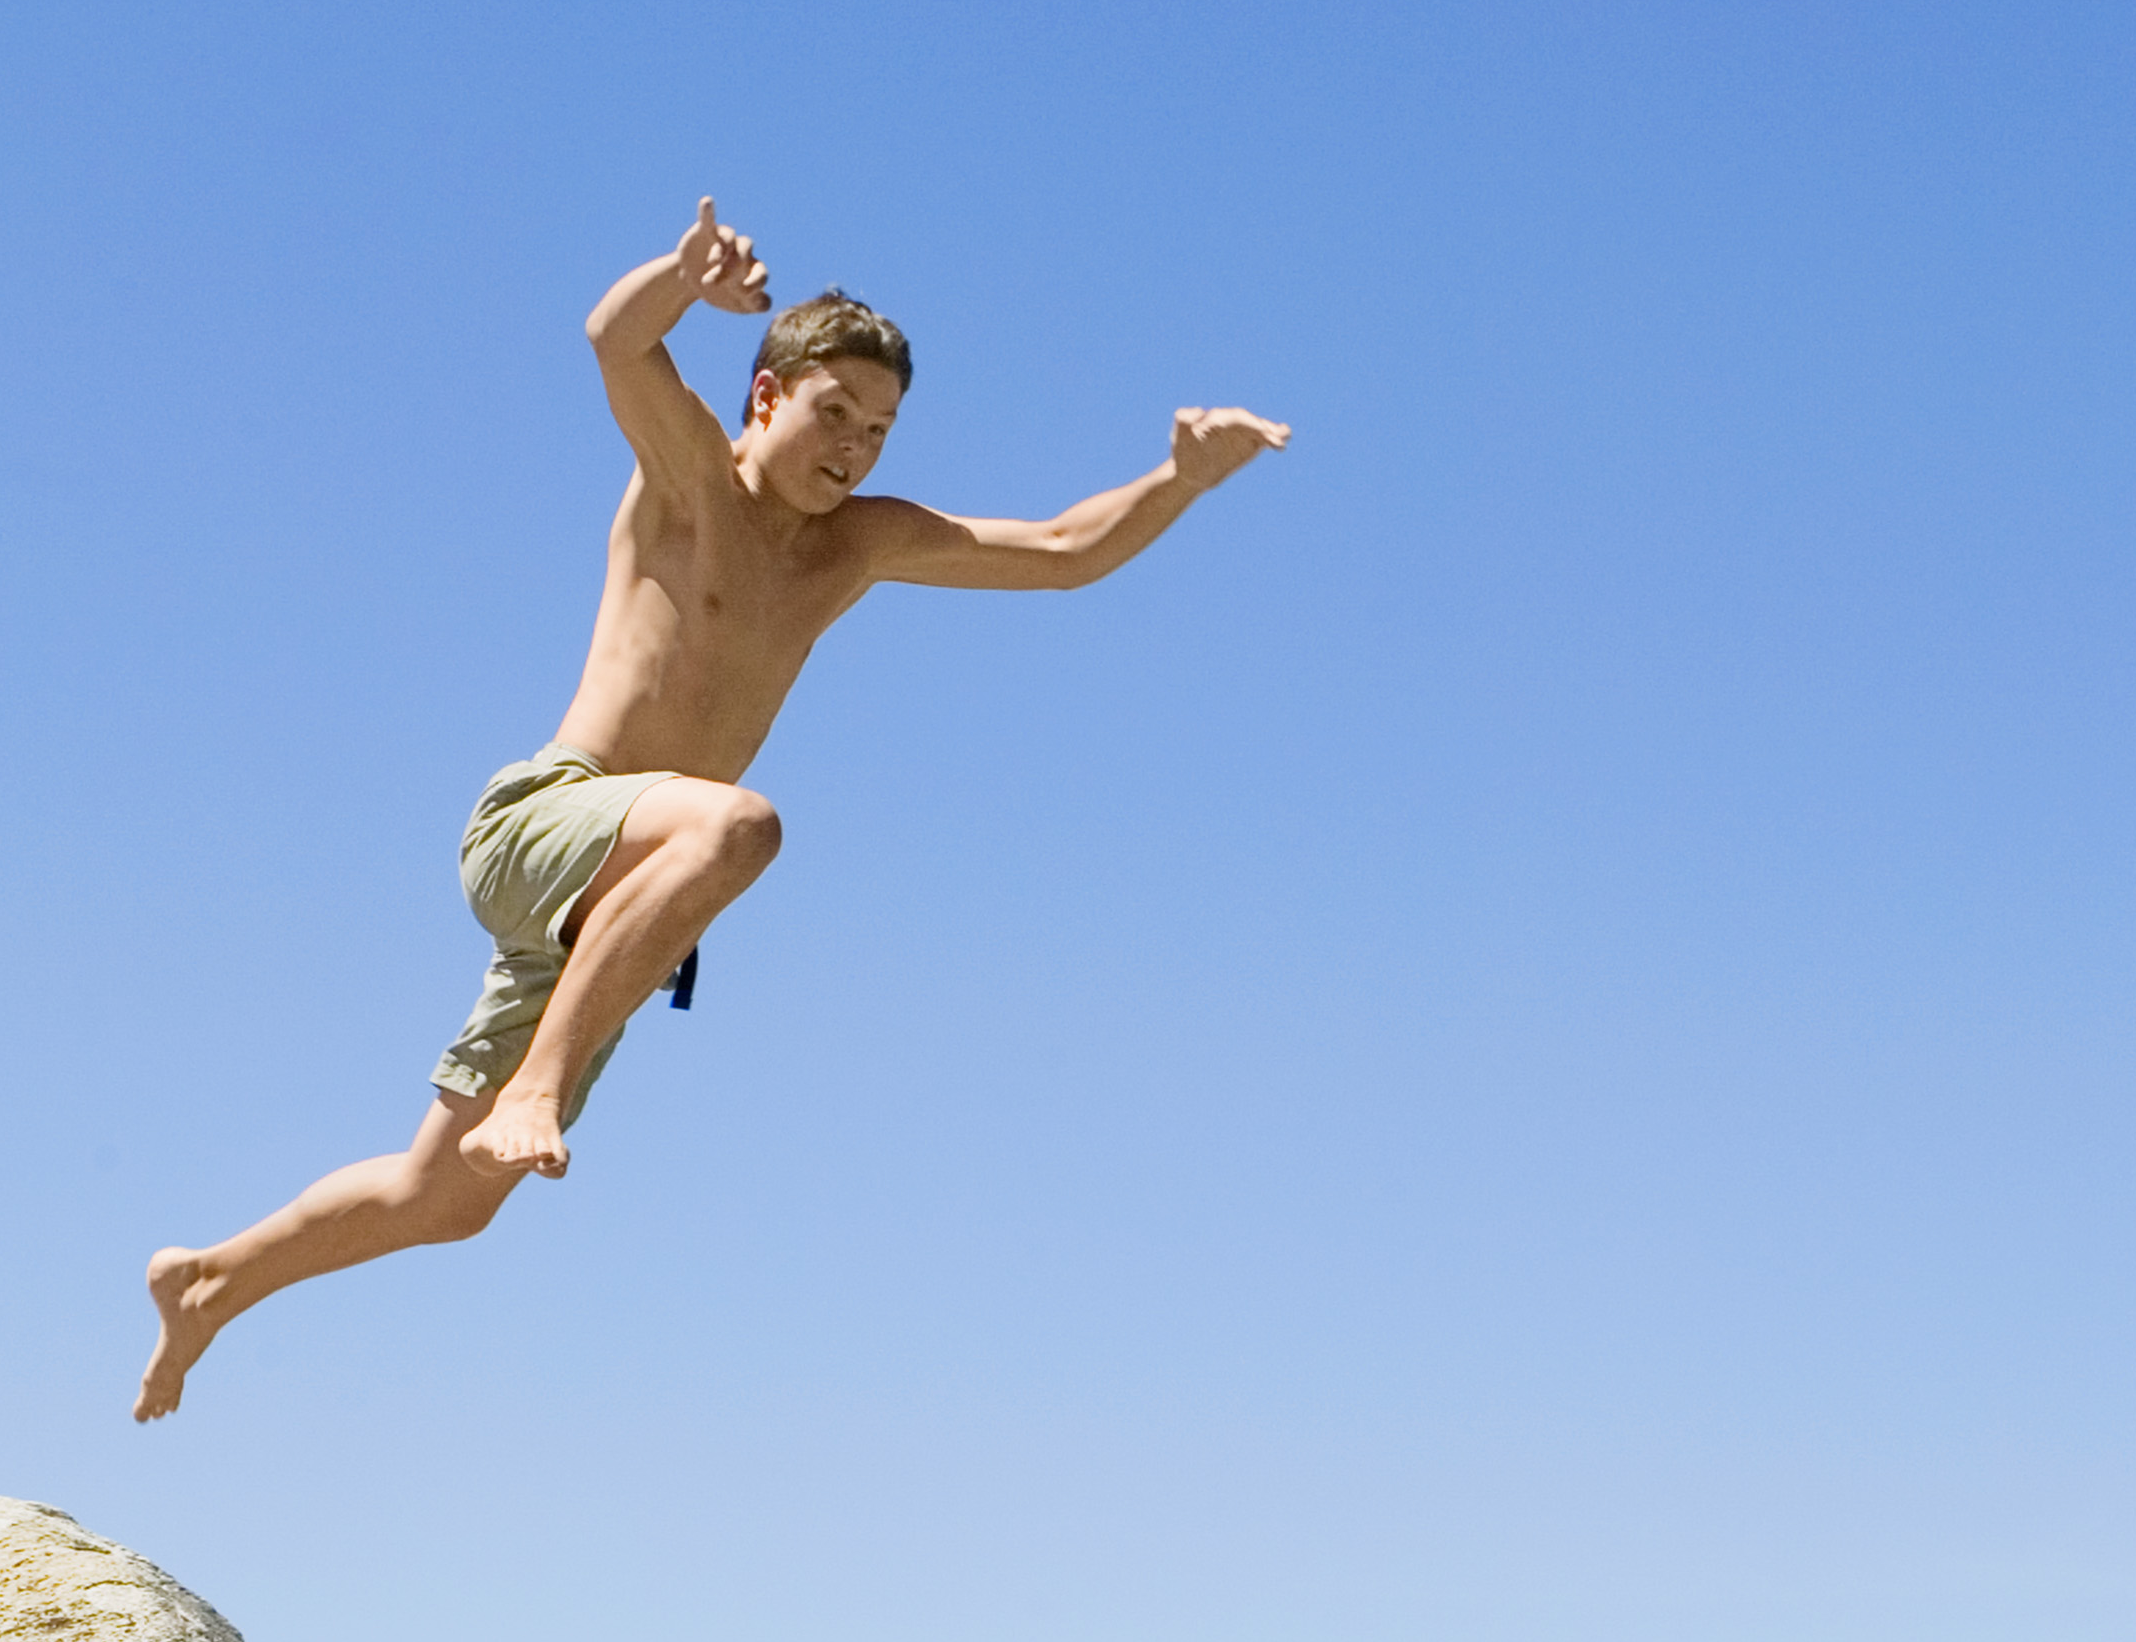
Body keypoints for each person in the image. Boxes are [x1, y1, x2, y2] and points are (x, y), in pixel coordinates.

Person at [133, 200, 1287, 1415]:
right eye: (833, 412)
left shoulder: (861, 544)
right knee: (739, 824)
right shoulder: (690, 477)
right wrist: (682, 280)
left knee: (449, 1201)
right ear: (764, 398)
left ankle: (210, 1284)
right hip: (545, 823)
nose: (855, 448)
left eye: (880, 431)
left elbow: (1061, 549)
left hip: (620, 906)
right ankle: (534, 1089)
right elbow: (613, 343)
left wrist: (1179, 479)